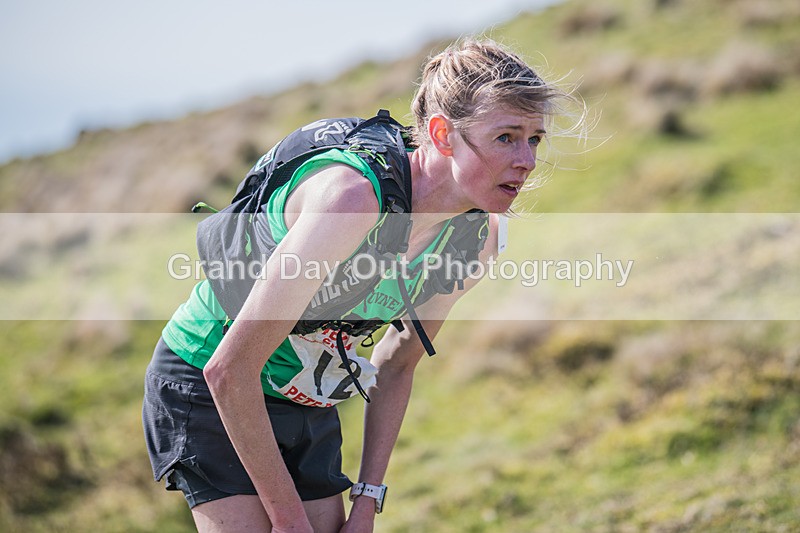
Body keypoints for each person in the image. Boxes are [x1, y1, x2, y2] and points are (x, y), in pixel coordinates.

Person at [143, 37, 574, 532]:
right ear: (441, 134)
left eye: (535, 139)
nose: (527, 160)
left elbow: (396, 364)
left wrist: (367, 502)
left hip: (304, 396)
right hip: (209, 380)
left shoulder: (475, 239)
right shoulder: (352, 202)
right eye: (506, 137)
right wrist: (288, 522)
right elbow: (230, 371)